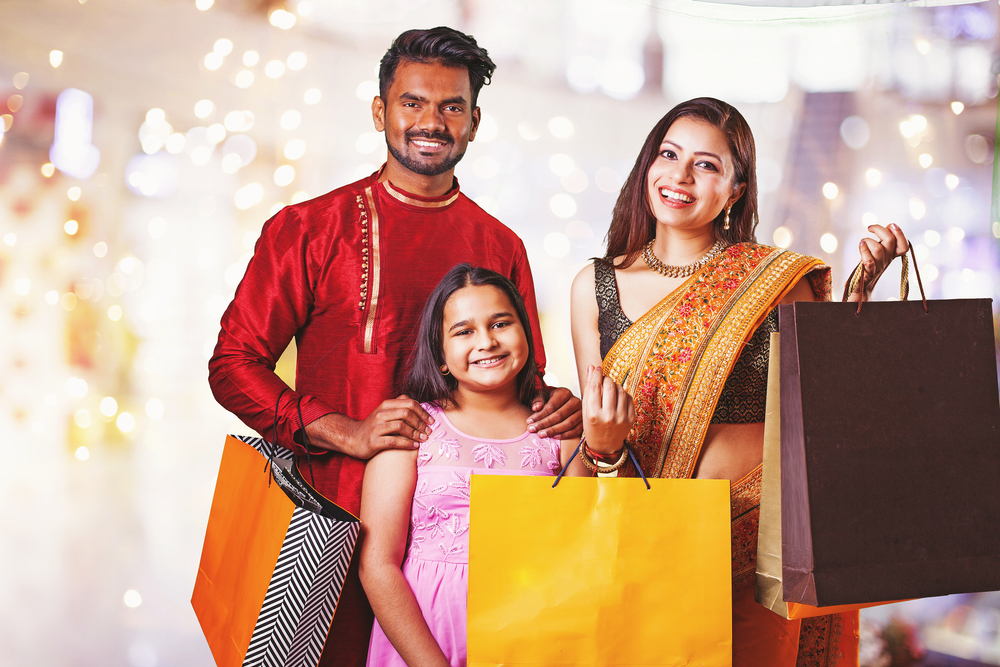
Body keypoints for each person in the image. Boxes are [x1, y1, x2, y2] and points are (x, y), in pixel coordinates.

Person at [208, 27, 581, 667]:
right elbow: (233, 364)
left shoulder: (500, 246)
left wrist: (558, 408)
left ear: (474, 120)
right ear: (381, 110)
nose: (430, 122)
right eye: (412, 103)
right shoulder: (308, 228)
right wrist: (344, 432)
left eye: (451, 106)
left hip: (461, 558)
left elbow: (520, 382)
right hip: (324, 529)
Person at [570, 97, 908, 666]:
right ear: (647, 165)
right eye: (668, 154)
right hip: (650, 541)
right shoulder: (594, 285)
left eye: (706, 164)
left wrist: (858, 301)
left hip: (761, 550)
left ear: (735, 189)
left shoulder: (775, 280)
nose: (679, 175)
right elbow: (598, 427)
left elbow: (829, 413)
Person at [358, 264, 604, 667]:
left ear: (526, 332)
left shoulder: (562, 433)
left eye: (501, 323)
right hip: (422, 644)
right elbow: (377, 563)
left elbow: (581, 551)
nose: (487, 342)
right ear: (439, 356)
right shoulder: (410, 430)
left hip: (532, 641)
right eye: (464, 331)